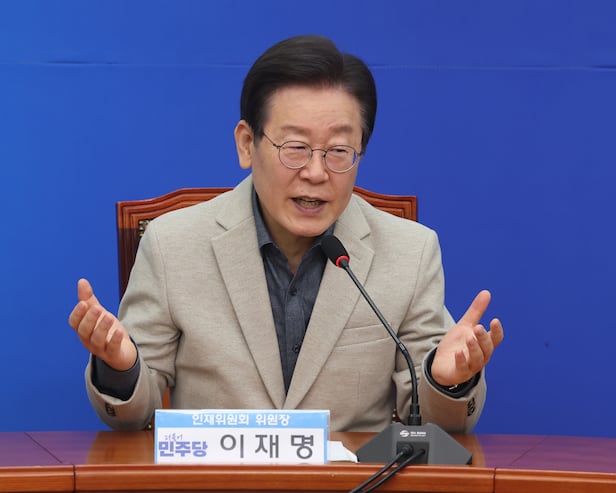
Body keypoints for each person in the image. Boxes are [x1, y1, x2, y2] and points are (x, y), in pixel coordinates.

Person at [69, 34, 504, 432]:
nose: (316, 172)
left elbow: (435, 423)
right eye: (295, 147)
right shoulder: (172, 245)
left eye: (338, 151)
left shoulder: (410, 252)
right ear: (247, 144)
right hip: (216, 479)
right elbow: (133, 414)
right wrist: (121, 368)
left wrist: (445, 382)